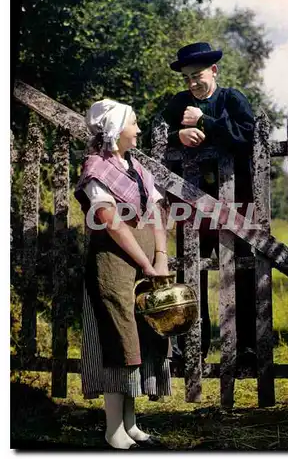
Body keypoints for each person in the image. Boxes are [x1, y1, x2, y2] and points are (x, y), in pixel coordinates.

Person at [75, 99, 172, 450]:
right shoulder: (96, 168)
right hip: (113, 266)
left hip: (145, 265)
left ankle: (130, 423)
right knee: (119, 340)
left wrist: (160, 257)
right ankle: (112, 429)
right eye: (134, 123)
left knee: (141, 339)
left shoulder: (136, 167)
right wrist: (146, 264)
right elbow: (110, 221)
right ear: (117, 131)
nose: (140, 130)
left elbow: (157, 212)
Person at [161, 42, 256, 370]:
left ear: (213, 71)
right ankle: (191, 350)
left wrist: (206, 121)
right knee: (191, 272)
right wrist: (179, 135)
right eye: (187, 78)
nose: (192, 83)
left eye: (197, 75)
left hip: (237, 202)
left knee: (242, 271)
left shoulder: (232, 99)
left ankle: (246, 351)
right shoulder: (178, 103)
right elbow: (154, 138)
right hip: (192, 206)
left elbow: (247, 140)